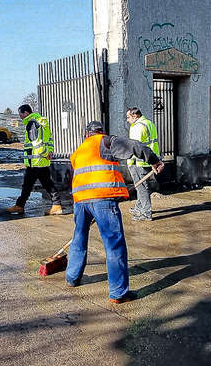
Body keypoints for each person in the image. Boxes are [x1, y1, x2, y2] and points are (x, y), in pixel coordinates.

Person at [65, 120, 164, 304]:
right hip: (102, 201)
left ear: (87, 134)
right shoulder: (106, 142)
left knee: (79, 239)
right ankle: (118, 293)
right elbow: (135, 146)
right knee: (114, 245)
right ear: (101, 132)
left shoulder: (77, 152)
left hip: (80, 201)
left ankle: (72, 278)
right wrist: (154, 160)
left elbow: (71, 177)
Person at [5, 104, 64, 215]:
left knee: (28, 185)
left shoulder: (31, 123)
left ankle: (19, 206)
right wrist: (49, 152)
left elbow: (36, 143)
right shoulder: (41, 122)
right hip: (42, 160)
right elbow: (49, 140)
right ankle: (56, 205)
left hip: (35, 160)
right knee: (46, 183)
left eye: (20, 114)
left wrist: (45, 153)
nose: (20, 116)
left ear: (26, 113)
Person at [125, 107, 161, 221]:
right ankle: (139, 207)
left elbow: (135, 148)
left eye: (128, 117)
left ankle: (146, 213)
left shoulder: (137, 127)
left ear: (135, 116)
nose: (127, 120)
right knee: (142, 186)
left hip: (139, 162)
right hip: (149, 159)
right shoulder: (149, 123)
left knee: (141, 187)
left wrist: (130, 161)